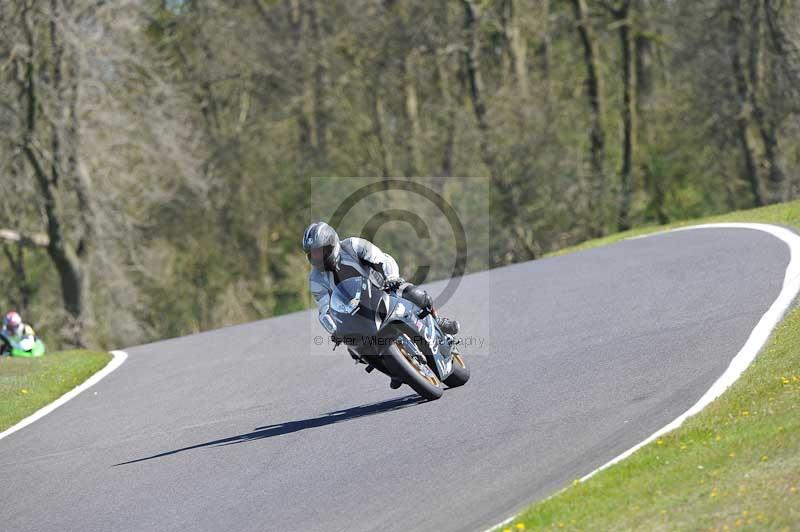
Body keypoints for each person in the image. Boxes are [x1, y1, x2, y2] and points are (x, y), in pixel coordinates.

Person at [303, 221, 459, 388]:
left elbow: (382, 259)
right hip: (356, 312)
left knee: (413, 294)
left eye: (320, 252)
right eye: (312, 254)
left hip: (384, 289)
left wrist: (391, 277)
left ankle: (437, 321)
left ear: (332, 244)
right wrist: (334, 329)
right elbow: (324, 309)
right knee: (354, 349)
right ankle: (397, 368)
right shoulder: (315, 279)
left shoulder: (353, 246)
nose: (317, 257)